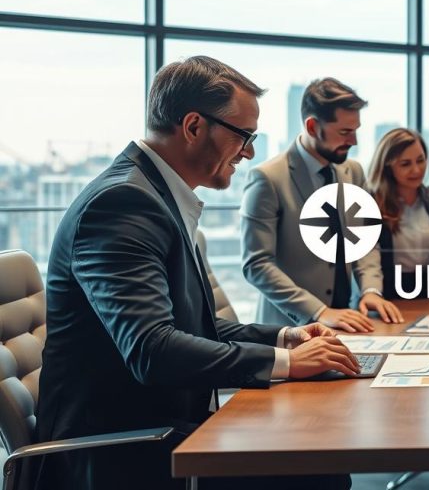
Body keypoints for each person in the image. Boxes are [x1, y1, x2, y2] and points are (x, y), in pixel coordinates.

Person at [36, 56, 358, 490]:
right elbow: (152, 349)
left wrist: (285, 338)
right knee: (319, 468)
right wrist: (286, 364)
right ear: (192, 127)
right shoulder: (122, 205)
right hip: (120, 451)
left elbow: (191, 326)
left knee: (316, 446)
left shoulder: (153, 194)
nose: (248, 152)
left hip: (160, 425)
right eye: (244, 135)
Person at [241, 77, 403, 331]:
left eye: (356, 130)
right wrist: (318, 312)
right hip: (290, 330)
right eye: (345, 132)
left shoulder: (353, 171)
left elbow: (364, 240)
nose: (354, 141)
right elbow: (257, 265)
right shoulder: (267, 178)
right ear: (312, 126)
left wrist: (371, 290)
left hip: (347, 323)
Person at [367, 128, 429, 299]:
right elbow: (367, 260)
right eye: (405, 164)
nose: (416, 170)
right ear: (388, 167)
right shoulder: (371, 203)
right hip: (388, 294)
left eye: (420, 160)